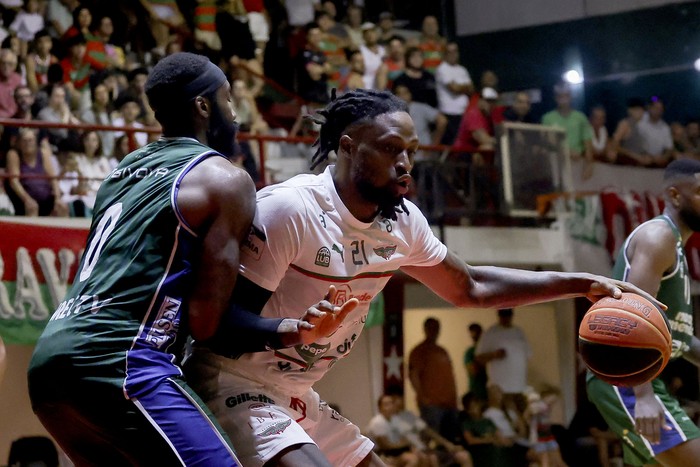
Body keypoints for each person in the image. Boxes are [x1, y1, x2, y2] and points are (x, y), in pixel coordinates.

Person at [183, 88, 657, 466]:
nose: (406, 163)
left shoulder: (403, 220)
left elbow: (469, 287)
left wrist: (578, 283)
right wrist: (297, 331)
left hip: (294, 392)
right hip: (233, 383)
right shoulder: (290, 209)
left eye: (409, 151)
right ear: (347, 147)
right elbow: (217, 329)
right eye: (391, 149)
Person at [27, 52, 354, 466]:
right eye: (228, 100)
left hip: (51, 363)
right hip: (123, 359)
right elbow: (205, 321)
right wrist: (287, 329)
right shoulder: (225, 179)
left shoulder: (122, 170)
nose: (235, 116)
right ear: (203, 106)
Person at [587, 159, 700, 466]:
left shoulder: (675, 245)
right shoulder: (658, 237)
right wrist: (644, 396)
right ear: (675, 196)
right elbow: (632, 315)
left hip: (635, 375)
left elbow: (680, 338)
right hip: (626, 374)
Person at [475, 309, 531, 421]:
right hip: (499, 389)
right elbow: (478, 358)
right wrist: (494, 355)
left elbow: (528, 354)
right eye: (503, 315)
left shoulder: (518, 332)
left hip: (519, 387)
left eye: (508, 315)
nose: (505, 318)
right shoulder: (491, 333)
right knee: (503, 420)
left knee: (522, 419)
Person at [408, 317, 459, 439]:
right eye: (431, 328)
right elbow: (413, 375)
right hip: (432, 404)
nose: (434, 331)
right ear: (425, 329)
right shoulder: (419, 351)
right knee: (430, 437)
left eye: (436, 328)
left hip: (449, 404)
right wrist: (422, 397)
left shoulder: (442, 351)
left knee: (450, 438)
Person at [464, 323, 488, 401]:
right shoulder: (470, 352)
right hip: (476, 393)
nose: (475, 335)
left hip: (490, 392)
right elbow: (473, 371)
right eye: (473, 332)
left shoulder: (489, 351)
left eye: (478, 332)